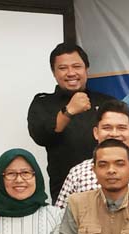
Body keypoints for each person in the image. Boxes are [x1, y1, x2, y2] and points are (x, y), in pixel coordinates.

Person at [27, 43, 115, 201]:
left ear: (86, 69)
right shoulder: (43, 103)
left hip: (110, 188)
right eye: (62, 68)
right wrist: (68, 111)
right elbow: (40, 136)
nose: (71, 73)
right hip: (66, 192)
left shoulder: (107, 101)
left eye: (77, 66)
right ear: (54, 73)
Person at [57, 101, 129, 207]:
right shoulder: (78, 173)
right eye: (107, 128)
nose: (114, 134)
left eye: (121, 128)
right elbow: (60, 217)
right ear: (96, 133)